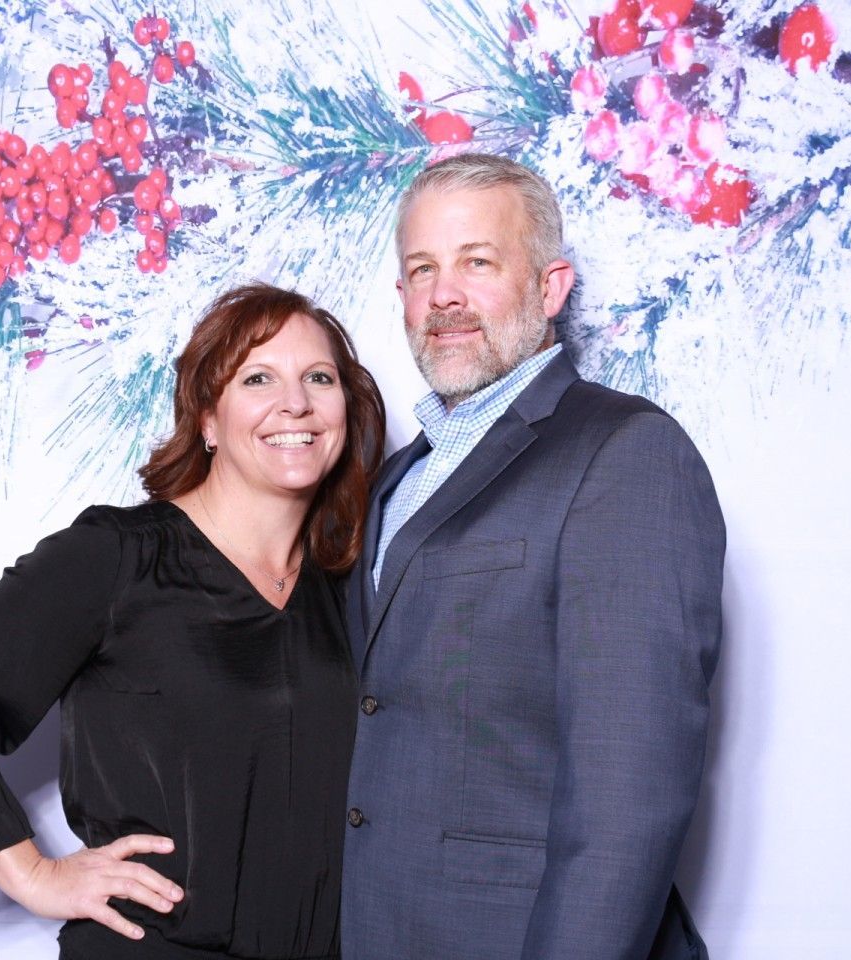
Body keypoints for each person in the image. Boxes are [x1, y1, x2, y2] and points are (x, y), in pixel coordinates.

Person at [0, 282, 386, 960]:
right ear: (207, 419)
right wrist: (34, 874)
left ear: (344, 409)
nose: (295, 402)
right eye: (258, 377)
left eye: (318, 378)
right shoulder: (117, 558)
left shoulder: (346, 587)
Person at [340, 154, 724, 960]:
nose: (444, 294)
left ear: (550, 290)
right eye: (422, 270)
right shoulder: (397, 476)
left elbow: (628, 795)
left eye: (477, 262)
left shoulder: (625, 453)